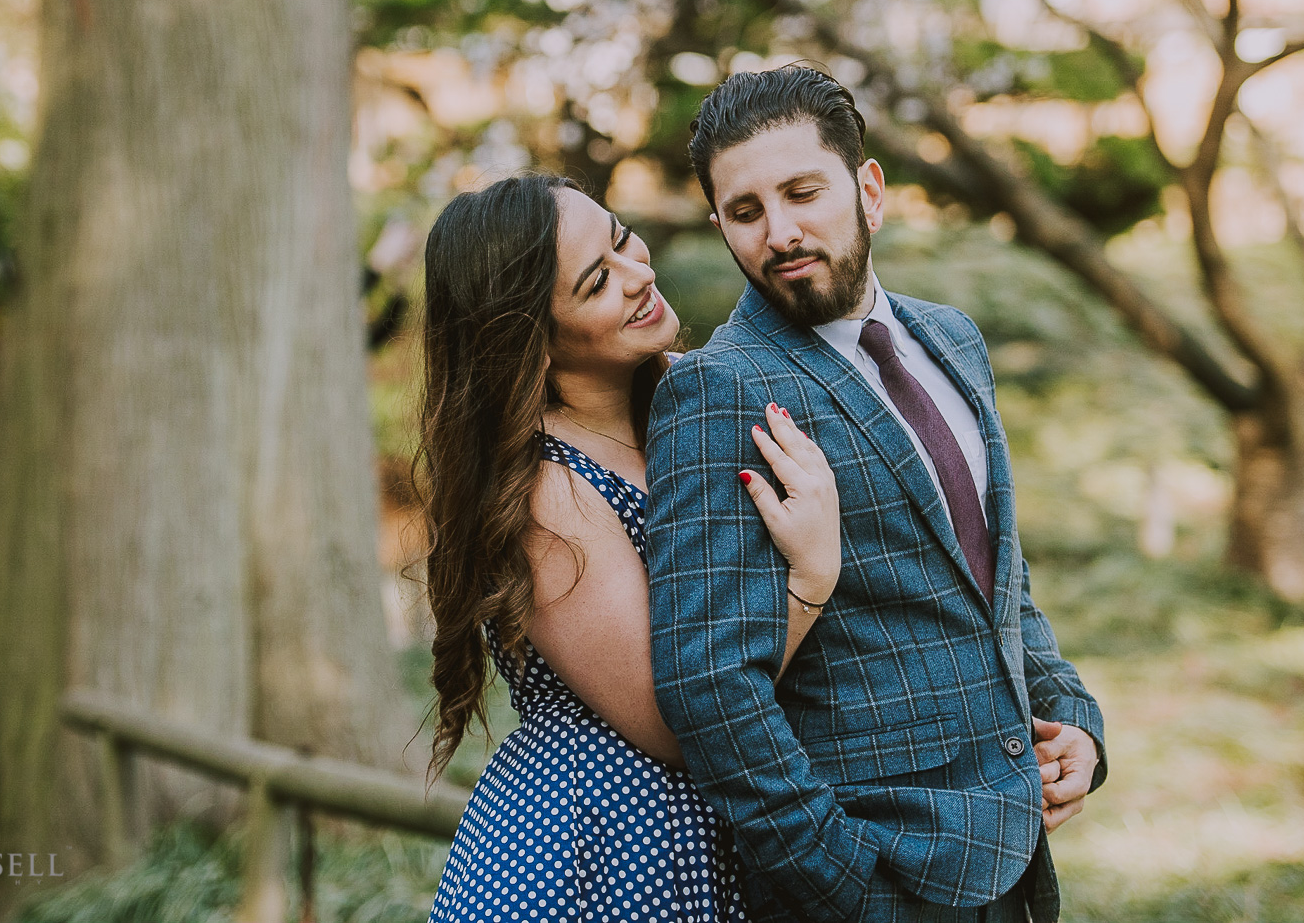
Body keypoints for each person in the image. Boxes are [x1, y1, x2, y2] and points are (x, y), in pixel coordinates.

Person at [646, 64, 1107, 923]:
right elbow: (709, 683)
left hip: (1015, 861)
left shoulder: (953, 341)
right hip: (870, 877)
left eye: (801, 193)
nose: (779, 231)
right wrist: (841, 881)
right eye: (745, 213)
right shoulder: (717, 390)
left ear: (869, 189)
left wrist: (1073, 717)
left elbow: (993, 577)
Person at [417, 173, 843, 923]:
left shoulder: (692, 396)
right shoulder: (545, 493)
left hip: (725, 822)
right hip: (598, 847)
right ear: (533, 345)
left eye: (621, 239)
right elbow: (674, 721)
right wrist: (808, 577)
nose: (640, 276)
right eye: (596, 283)